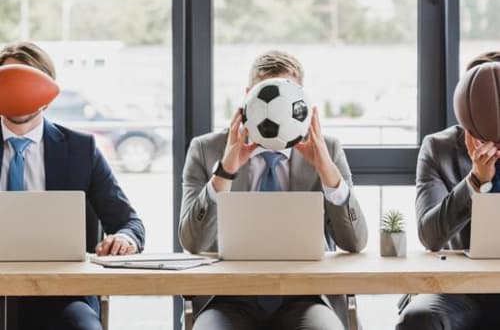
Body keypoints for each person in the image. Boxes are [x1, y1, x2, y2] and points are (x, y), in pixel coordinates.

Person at [179, 50, 368, 330]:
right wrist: (225, 171)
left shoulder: (327, 149)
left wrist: (327, 170)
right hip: (227, 298)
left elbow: (355, 242)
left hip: (308, 297)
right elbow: (191, 242)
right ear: (247, 99)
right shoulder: (207, 150)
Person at [0, 41, 145, 330]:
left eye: (28, 82)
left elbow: (130, 222)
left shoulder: (82, 149)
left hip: (63, 295)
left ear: (48, 93)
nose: (20, 92)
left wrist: (124, 239)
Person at [397, 51, 500, 329]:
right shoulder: (439, 147)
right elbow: (430, 235)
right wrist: (476, 180)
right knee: (419, 319)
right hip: (459, 287)